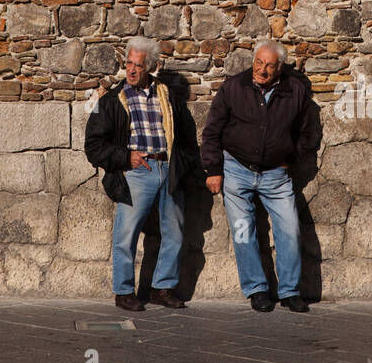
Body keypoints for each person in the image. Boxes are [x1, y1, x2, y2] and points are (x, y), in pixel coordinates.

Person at [84, 36, 201, 312]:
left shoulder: (168, 95)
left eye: (138, 65)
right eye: (128, 64)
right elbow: (93, 146)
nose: (132, 70)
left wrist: (183, 165)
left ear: (150, 67)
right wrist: (127, 157)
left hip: (168, 168)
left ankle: (162, 287)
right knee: (127, 234)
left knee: (174, 231)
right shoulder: (110, 99)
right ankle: (124, 291)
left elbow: (186, 135)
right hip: (137, 171)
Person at [201, 40, 311, 312]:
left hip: (276, 174)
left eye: (269, 65)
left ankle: (289, 291)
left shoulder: (295, 91)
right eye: (258, 63)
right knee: (243, 232)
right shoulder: (233, 87)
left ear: (279, 67)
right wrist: (213, 170)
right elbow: (212, 131)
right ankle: (257, 289)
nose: (262, 70)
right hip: (236, 170)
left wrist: (291, 161)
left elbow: (307, 133)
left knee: (290, 229)